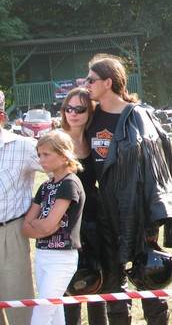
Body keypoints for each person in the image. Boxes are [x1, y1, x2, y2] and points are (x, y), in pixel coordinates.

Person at [85, 54, 172, 325]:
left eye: (91, 80)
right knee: (112, 283)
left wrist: (153, 216)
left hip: (138, 209)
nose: (86, 85)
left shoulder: (138, 116)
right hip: (106, 210)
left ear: (107, 82)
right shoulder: (91, 118)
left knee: (148, 273)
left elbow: (157, 168)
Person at [22, 131, 86, 325]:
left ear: (64, 155)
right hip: (42, 255)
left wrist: (40, 224)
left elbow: (49, 224)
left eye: (46, 154)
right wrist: (41, 226)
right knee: (54, 316)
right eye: (39, 154)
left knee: (41, 315)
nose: (41, 159)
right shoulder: (45, 186)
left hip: (61, 258)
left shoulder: (69, 184)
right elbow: (26, 228)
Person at [60, 89, 108, 325]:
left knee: (98, 280)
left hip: (94, 215)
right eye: (68, 108)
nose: (73, 113)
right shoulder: (59, 141)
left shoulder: (94, 139)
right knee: (72, 284)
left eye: (79, 109)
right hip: (67, 217)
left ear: (89, 112)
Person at [0, 89, 42, 325]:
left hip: (11, 233)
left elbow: (64, 172)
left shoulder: (24, 146)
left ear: (1, 118)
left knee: (20, 310)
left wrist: (41, 212)